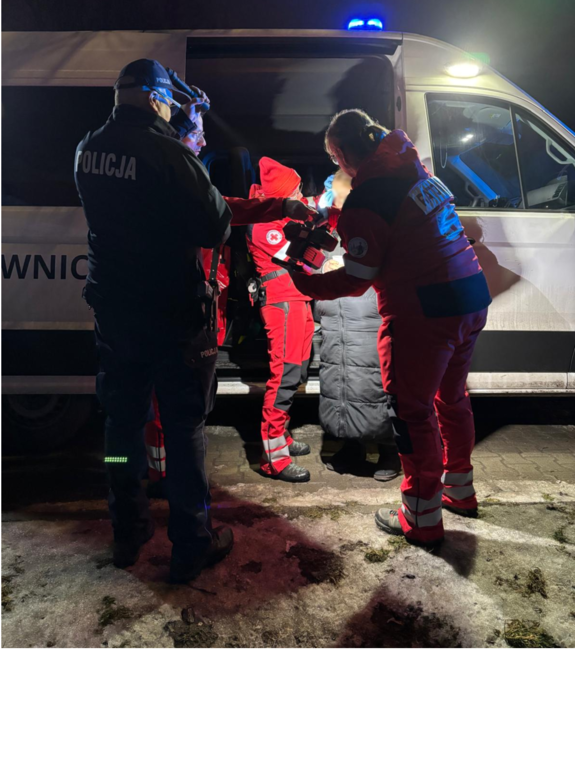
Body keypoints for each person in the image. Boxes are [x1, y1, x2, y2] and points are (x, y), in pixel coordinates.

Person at [292, 109, 492, 545]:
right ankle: (460, 490)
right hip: (470, 297)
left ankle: (421, 518)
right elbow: (403, 222)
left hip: (422, 311)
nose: (338, 166)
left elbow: (357, 276)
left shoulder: (369, 195)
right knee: (452, 399)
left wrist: (305, 282)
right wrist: (337, 219)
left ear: (341, 153)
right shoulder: (412, 169)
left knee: (412, 412)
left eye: (334, 158)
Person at [144, 88, 315, 497]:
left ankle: (168, 477)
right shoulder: (169, 183)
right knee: (171, 398)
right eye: (197, 133)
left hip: (196, 306)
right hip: (177, 307)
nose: (204, 141)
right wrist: (279, 209)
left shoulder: (182, 179)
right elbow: (226, 211)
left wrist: (281, 209)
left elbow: (225, 209)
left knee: (187, 402)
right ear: (174, 138)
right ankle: (162, 479)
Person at [316, 171, 399, 481]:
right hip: (338, 315)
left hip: (366, 313)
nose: (337, 202)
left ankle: (390, 450)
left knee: (374, 382)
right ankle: (352, 446)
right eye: (335, 196)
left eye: (342, 196)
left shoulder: (378, 218)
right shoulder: (327, 222)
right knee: (343, 380)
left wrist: (348, 266)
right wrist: (324, 266)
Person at [246, 158, 316, 483]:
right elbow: (299, 255)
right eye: (296, 190)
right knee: (284, 376)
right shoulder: (263, 223)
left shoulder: (283, 218)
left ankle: (283, 438)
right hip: (281, 302)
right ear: (282, 194)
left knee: (297, 372)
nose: (301, 195)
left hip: (297, 299)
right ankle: (273, 459)